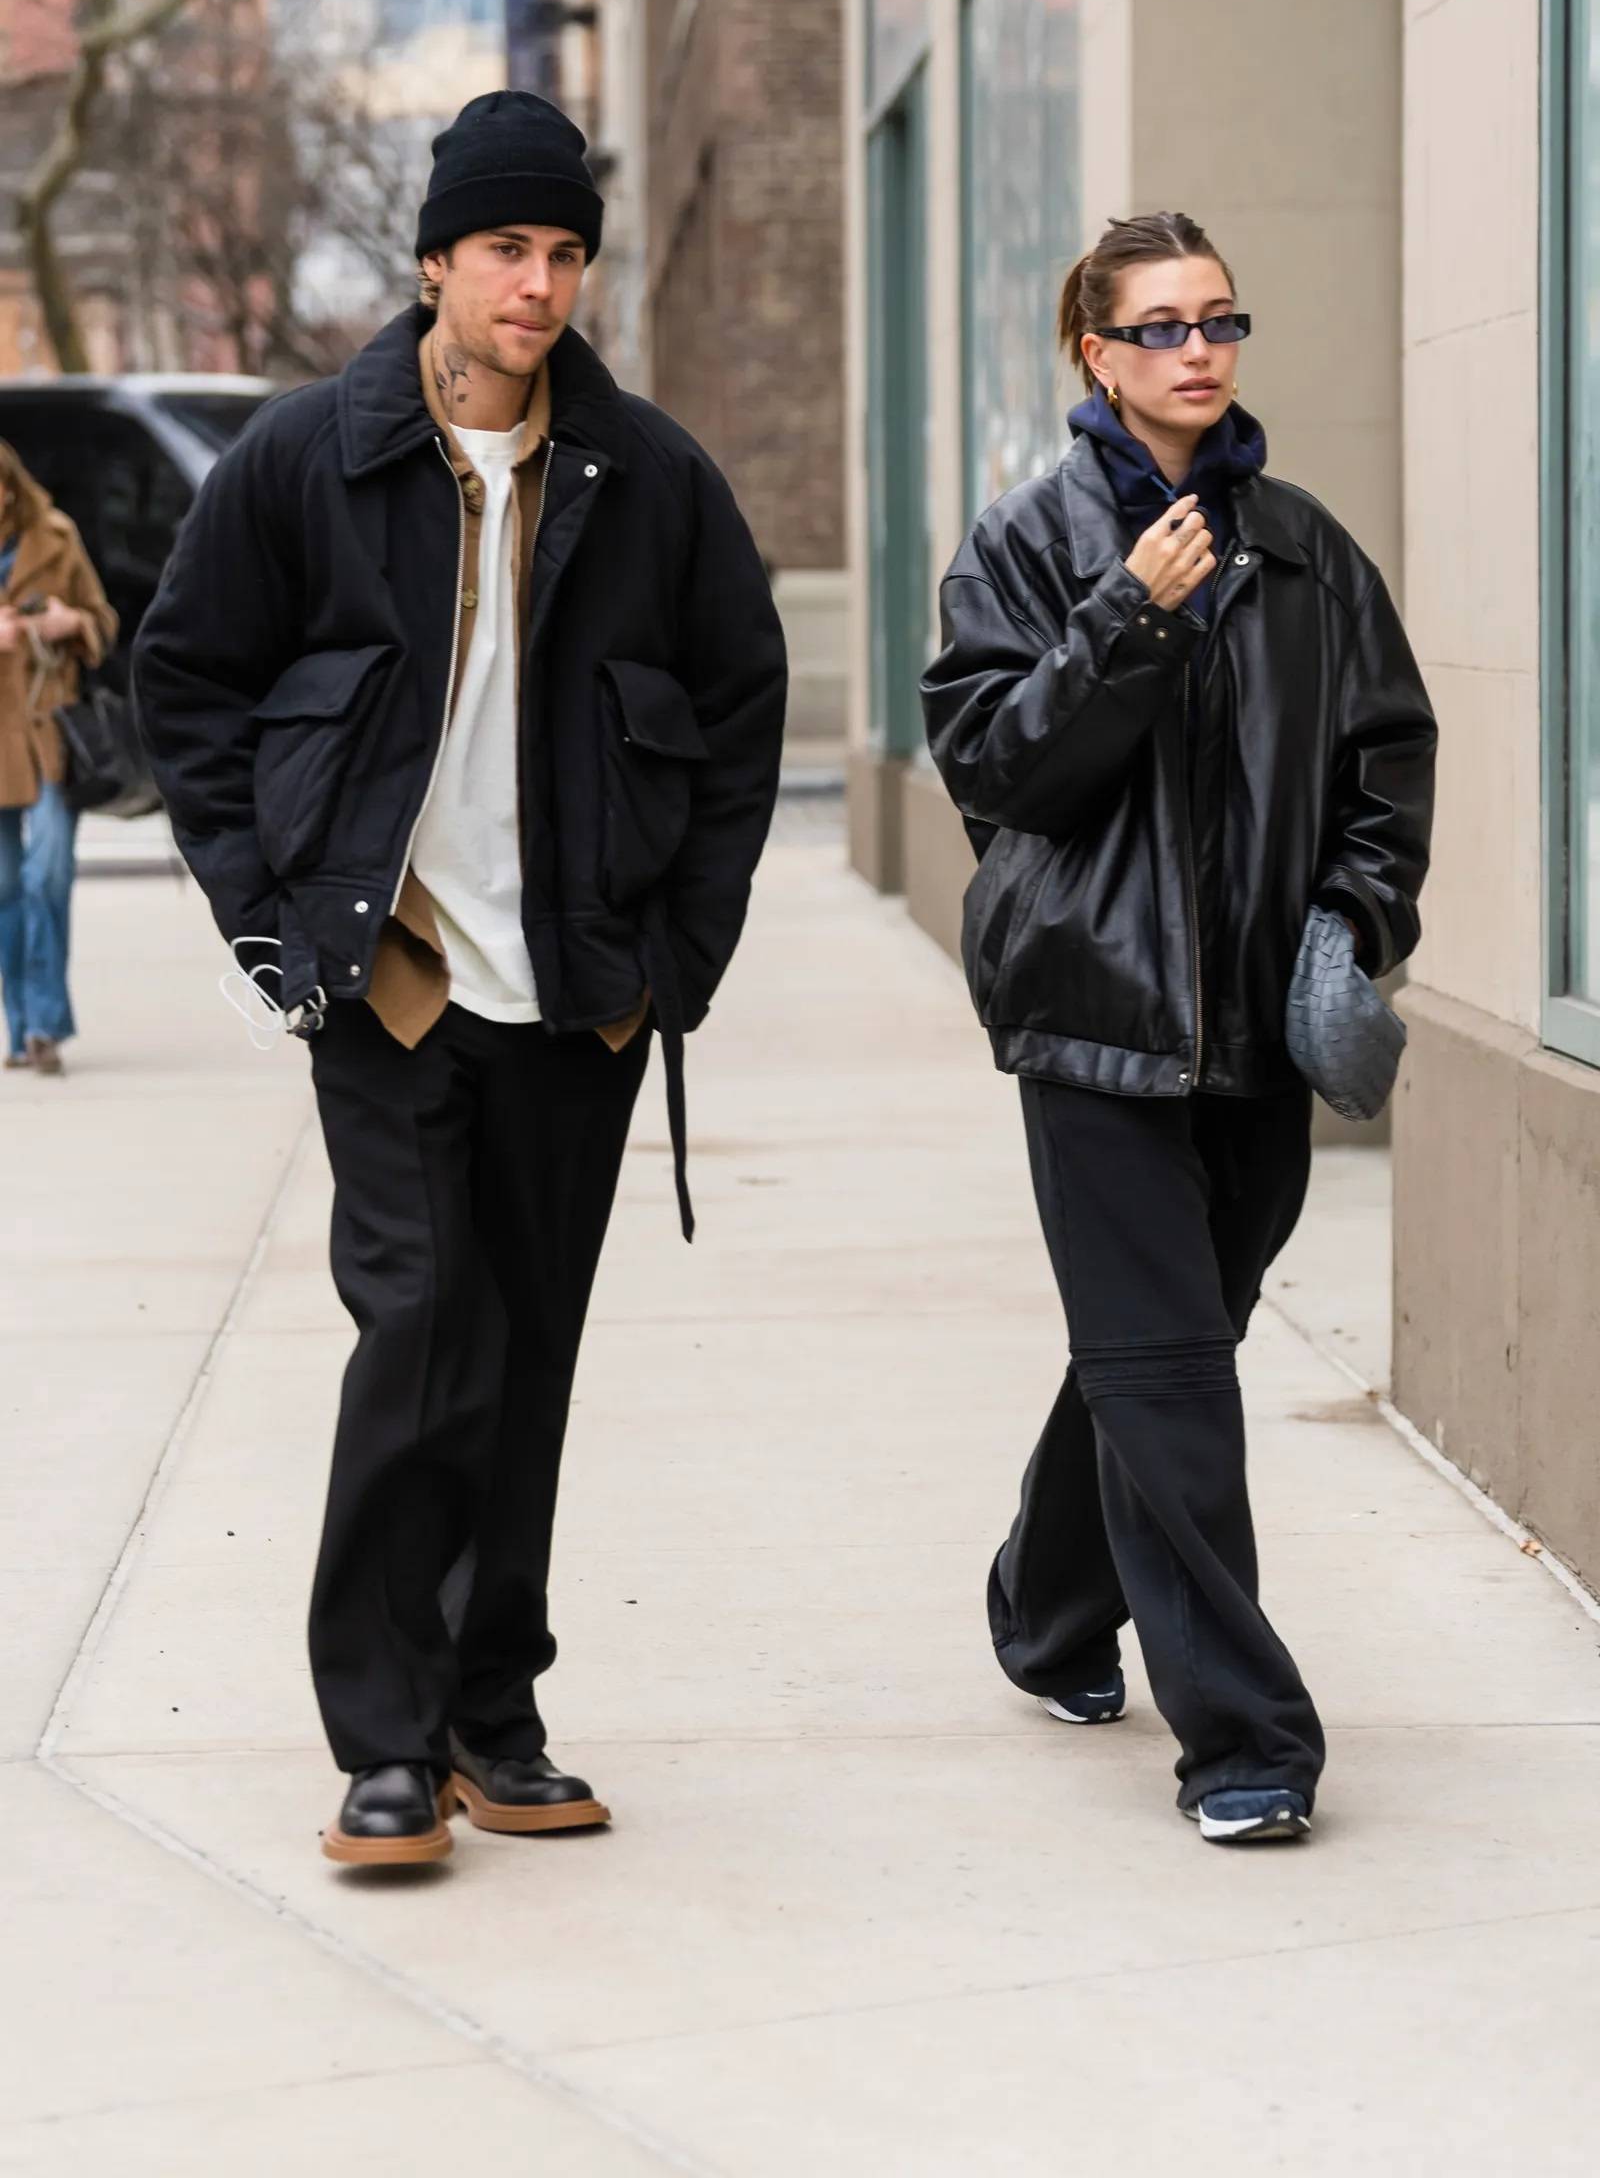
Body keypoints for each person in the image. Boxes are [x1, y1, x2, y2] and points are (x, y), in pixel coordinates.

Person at [134, 91, 788, 1866]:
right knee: (424, 1342)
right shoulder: (308, 458)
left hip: (576, 995)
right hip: (393, 984)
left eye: (566, 251)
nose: (540, 283)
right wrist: (266, 920)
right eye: (508, 248)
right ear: (434, 259)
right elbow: (184, 680)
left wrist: (681, 958)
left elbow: (741, 715)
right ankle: (385, 1741)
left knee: (533, 1363)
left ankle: (496, 1713)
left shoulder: (649, 478)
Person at [922, 212, 1435, 1846]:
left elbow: (1387, 765)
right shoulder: (1027, 547)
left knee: (1161, 1358)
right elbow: (1001, 778)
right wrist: (1126, 622)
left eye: (1217, 320)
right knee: (1168, 1378)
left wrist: (1356, 924)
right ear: (1096, 353)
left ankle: (1048, 1606)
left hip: (1259, 1043)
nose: (1196, 351)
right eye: (1158, 327)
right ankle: (1245, 1739)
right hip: (1095, 1026)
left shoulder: (1302, 550)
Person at [0, 439, 118, 1076]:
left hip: (47, 734)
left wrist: (70, 622)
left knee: (48, 875)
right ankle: (19, 1028)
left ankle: (45, 1024)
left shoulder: (53, 534)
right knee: (3, 886)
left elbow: (104, 620)